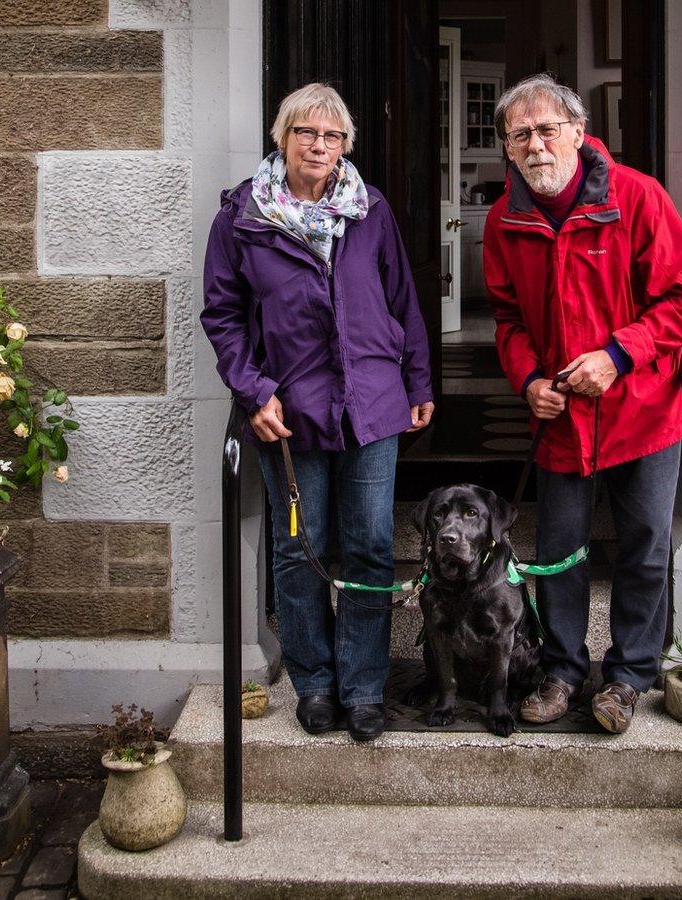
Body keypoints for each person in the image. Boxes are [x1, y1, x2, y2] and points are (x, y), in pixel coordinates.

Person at [201, 83, 434, 742]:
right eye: (307, 132)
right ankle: (313, 684)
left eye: (333, 137)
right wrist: (252, 391)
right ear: (283, 137)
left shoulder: (370, 211)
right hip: (290, 412)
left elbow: (401, 300)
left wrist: (418, 378)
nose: (320, 146)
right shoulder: (243, 218)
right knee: (300, 549)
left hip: (372, 404)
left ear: (344, 147)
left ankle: (362, 687)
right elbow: (222, 316)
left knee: (369, 546)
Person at [483, 74, 682, 735]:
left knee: (644, 549)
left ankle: (631, 676)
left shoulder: (636, 198)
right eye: (520, 134)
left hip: (645, 413)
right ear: (507, 147)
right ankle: (561, 672)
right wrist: (527, 379)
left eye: (547, 129)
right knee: (559, 554)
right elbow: (506, 318)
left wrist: (618, 355)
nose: (536, 144)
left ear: (579, 133)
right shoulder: (504, 218)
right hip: (561, 423)